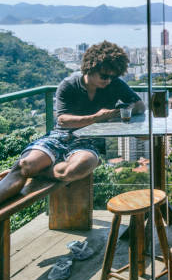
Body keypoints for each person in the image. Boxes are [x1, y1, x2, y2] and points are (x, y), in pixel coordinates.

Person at [0, 41, 144, 204]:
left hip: (90, 142)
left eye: (113, 76)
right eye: (104, 76)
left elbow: (139, 105)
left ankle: (39, 171)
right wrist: (96, 117)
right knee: (24, 164)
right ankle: (31, 171)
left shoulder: (115, 84)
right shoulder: (68, 85)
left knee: (74, 170)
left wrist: (119, 112)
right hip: (60, 136)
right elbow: (63, 120)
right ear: (90, 67)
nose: (109, 80)